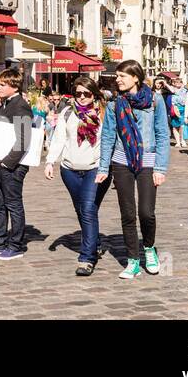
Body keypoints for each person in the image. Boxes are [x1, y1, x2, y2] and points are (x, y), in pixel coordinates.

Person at [96, 59, 169, 280]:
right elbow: (108, 137)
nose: (117, 80)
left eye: (122, 76)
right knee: (127, 213)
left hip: (147, 160)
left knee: (146, 212)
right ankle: (133, 261)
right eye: (117, 77)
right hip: (122, 162)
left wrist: (160, 168)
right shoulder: (113, 105)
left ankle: (149, 248)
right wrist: (103, 167)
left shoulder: (155, 102)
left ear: (135, 77)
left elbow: (162, 134)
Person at [44, 75, 110, 276]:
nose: (81, 97)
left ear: (94, 94)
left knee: (88, 208)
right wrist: (50, 161)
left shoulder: (105, 112)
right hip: (70, 169)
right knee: (82, 210)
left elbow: (110, 140)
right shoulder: (67, 113)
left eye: (86, 93)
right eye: (78, 93)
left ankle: (86, 258)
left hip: (95, 168)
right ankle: (94, 242)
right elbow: (59, 139)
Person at [0, 66, 33, 261]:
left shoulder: (20, 106)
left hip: (11, 165)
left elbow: (24, 139)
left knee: (13, 204)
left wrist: (7, 163)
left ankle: (15, 244)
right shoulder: (4, 104)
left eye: (2, 84)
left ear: (13, 85)